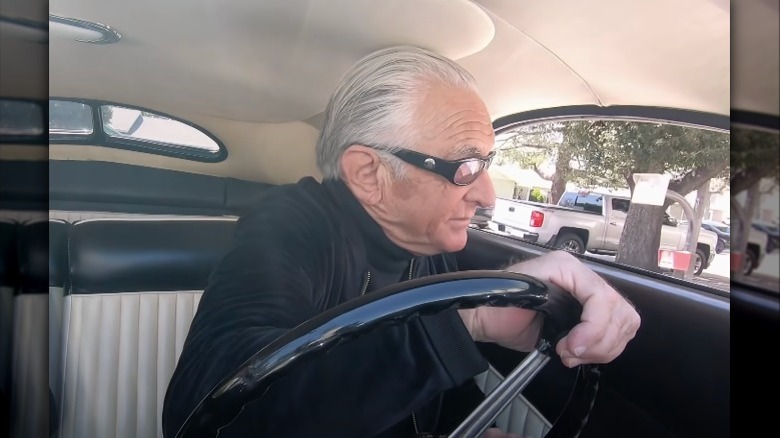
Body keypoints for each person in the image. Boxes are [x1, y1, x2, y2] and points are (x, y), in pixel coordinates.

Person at [162, 45, 640, 438]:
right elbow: (215, 412)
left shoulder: (423, 249)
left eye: (487, 163)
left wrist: (482, 429)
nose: (488, 195)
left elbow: (426, 395)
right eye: (464, 167)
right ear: (370, 174)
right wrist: (468, 319)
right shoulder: (287, 227)